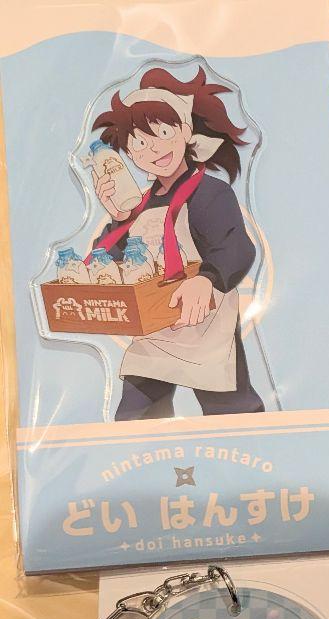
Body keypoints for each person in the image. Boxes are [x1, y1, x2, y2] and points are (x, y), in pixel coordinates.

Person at [90, 65, 265, 420]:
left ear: (185, 131)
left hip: (204, 326)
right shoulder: (138, 205)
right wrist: (118, 220)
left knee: (232, 413)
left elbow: (236, 246)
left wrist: (207, 279)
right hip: (153, 329)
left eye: (162, 132)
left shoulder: (210, 193)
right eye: (139, 143)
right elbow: (111, 262)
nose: (152, 148)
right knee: (135, 420)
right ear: (130, 154)